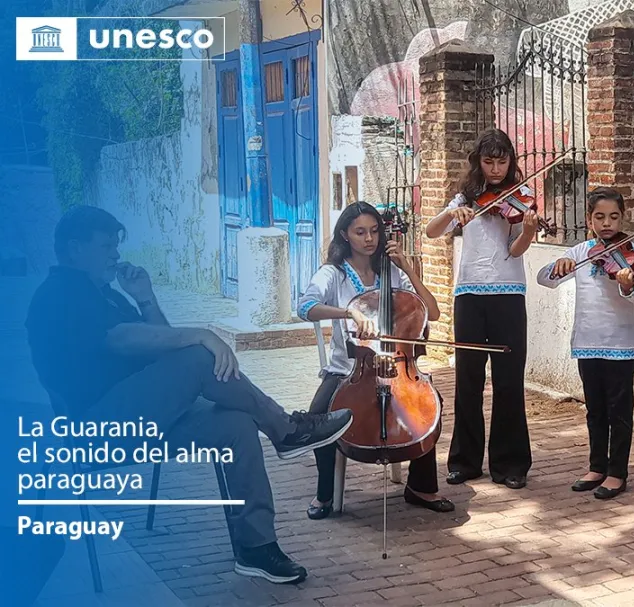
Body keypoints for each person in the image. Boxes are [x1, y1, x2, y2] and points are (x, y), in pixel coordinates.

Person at [24, 206, 354, 585]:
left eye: (116, 246)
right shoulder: (58, 295)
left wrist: (145, 298)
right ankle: (286, 429)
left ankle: (256, 547)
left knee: (237, 424)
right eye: (106, 246)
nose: (115, 255)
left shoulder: (107, 296)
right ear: (75, 248)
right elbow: (119, 339)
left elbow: (161, 347)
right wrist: (201, 334)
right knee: (199, 357)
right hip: (95, 430)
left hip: (144, 418)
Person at [298, 201, 454, 518]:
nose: (369, 239)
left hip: (398, 368)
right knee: (317, 418)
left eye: (373, 231)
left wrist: (407, 268)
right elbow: (305, 307)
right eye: (360, 232)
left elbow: (433, 312)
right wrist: (349, 312)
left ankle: (421, 486)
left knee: (429, 407)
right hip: (347, 371)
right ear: (345, 235)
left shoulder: (391, 272)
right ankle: (324, 494)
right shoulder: (333, 274)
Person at [424, 128, 537, 490]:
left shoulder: (521, 197)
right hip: (469, 294)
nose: (496, 169)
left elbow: (515, 250)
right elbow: (431, 231)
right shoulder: (466, 197)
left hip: (509, 294)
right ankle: (464, 461)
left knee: (509, 380)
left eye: (502, 161)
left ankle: (511, 463)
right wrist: (453, 212)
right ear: (478, 162)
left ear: (511, 161)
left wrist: (528, 231)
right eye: (489, 162)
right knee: (468, 379)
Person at [537, 188, 634, 500]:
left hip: (621, 342)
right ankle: (597, 467)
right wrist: (559, 263)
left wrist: (627, 284)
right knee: (595, 409)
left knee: (619, 411)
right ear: (589, 219)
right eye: (600, 217)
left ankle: (617, 472)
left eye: (613, 217)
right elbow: (545, 279)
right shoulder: (580, 252)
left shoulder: (630, 252)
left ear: (622, 218)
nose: (607, 223)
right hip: (588, 340)